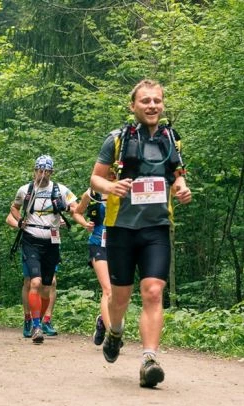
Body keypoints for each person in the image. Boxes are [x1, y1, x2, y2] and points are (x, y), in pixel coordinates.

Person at [90, 79, 191, 388]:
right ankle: (115, 332)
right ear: (133, 105)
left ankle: (149, 359)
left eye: (157, 101)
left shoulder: (171, 138)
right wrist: (112, 186)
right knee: (120, 297)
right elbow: (95, 179)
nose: (152, 106)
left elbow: (176, 176)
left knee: (153, 291)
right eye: (145, 101)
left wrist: (182, 188)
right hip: (121, 228)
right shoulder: (117, 139)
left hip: (156, 227)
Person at [6, 154, 80, 344]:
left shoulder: (60, 189)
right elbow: (14, 208)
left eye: (47, 171)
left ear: (51, 172)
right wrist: (19, 221)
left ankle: (42, 320)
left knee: (47, 286)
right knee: (35, 282)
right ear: (35, 170)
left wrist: (67, 207)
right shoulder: (25, 190)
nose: (43, 174)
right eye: (40, 170)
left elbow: (77, 207)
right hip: (31, 239)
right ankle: (35, 325)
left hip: (52, 241)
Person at [75, 186, 112, 345]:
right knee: (108, 290)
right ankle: (113, 336)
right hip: (98, 243)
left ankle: (102, 321)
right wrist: (85, 224)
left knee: (118, 293)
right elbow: (77, 212)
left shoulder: (125, 189)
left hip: (120, 246)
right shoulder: (92, 193)